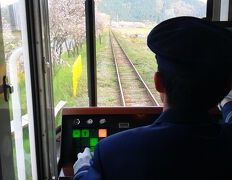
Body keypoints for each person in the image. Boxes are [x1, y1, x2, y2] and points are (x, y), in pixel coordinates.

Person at [73, 17, 232, 180]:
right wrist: (227, 105)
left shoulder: (111, 152)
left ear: (158, 82)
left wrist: (82, 169)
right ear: (227, 87)